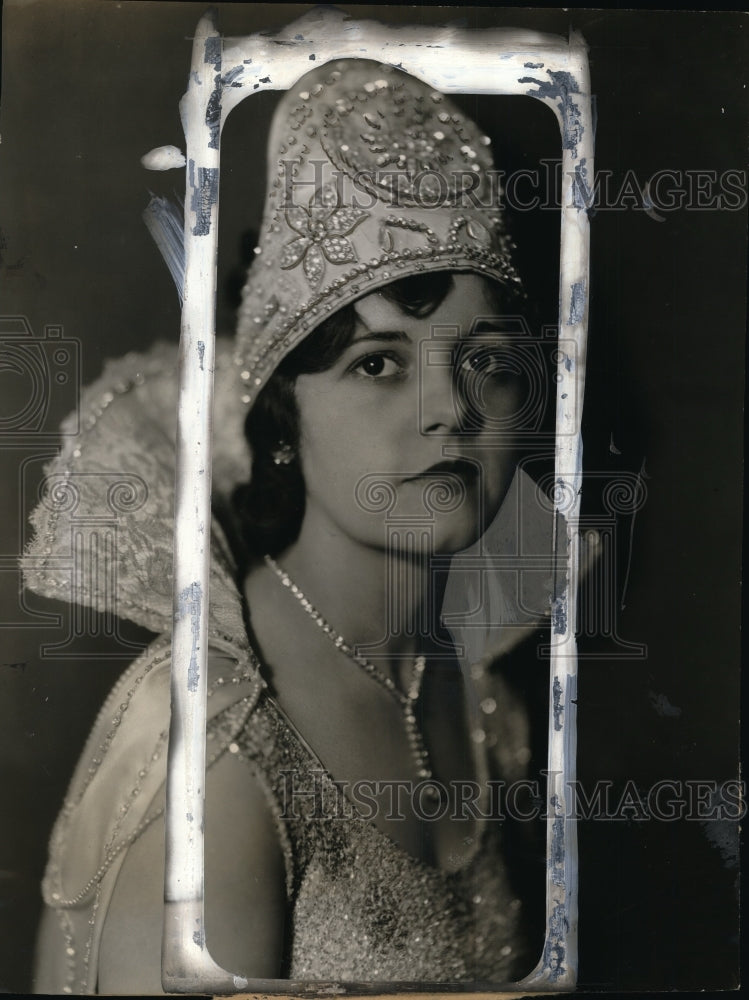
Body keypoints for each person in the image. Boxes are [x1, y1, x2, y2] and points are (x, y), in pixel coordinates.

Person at [27, 58, 559, 994]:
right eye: (377, 364)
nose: (450, 409)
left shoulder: (483, 700)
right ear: (282, 416)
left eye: (485, 358)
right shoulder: (212, 750)